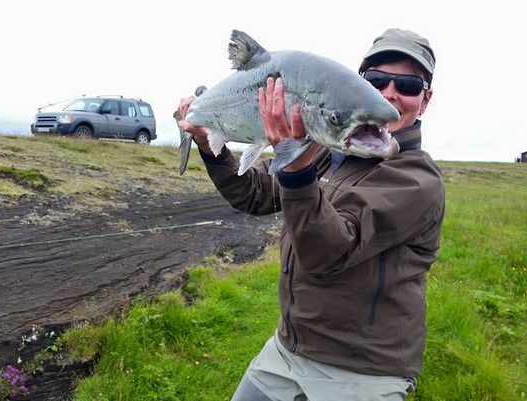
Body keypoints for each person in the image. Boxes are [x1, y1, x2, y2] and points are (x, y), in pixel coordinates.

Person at [178, 28, 445, 401]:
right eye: (376, 80)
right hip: (289, 349)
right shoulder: (323, 149)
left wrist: (296, 163)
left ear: (426, 98)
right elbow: (253, 194)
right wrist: (209, 145)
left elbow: (328, 254)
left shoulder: (418, 181)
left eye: (407, 84)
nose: (389, 93)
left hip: (362, 371)